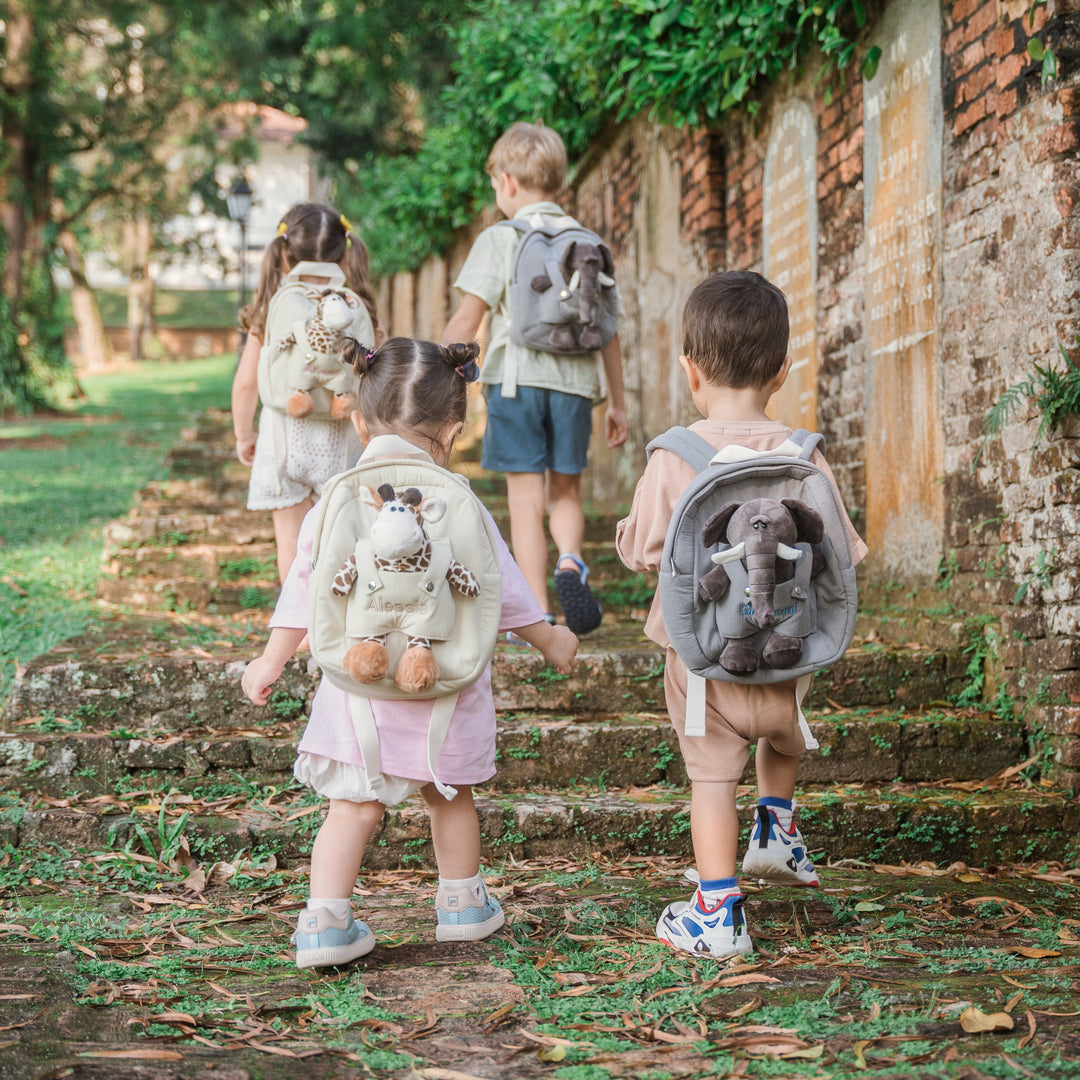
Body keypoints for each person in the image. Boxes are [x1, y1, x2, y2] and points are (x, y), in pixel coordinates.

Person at [241, 336, 579, 969]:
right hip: (444, 685)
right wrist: (551, 639)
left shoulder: (337, 498)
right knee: (449, 795)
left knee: (351, 807)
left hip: (357, 690)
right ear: (455, 426)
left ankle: (324, 923)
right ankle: (461, 907)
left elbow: (306, 586)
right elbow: (499, 586)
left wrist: (272, 657)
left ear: (358, 416)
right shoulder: (461, 499)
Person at [615, 272, 868, 958]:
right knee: (781, 732)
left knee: (712, 776)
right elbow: (844, 554)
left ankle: (718, 910)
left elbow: (643, 549)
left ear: (689, 370)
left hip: (703, 663)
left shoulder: (674, 455)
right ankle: (777, 831)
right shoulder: (806, 454)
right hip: (787, 651)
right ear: (783, 372)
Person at [441, 121, 628, 637]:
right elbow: (609, 331)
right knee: (565, 491)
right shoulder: (586, 241)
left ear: (505, 181)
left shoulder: (500, 239)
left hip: (515, 385)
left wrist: (436, 367)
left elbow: (468, 319)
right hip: (574, 389)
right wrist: (618, 402)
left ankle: (540, 612)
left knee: (525, 502)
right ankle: (571, 560)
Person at [231, 202, 381, 582]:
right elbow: (377, 376)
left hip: (285, 433)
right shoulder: (355, 305)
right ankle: (337, 627)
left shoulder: (272, 307)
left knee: (291, 541)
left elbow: (247, 381)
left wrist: (244, 434)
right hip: (343, 435)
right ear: (346, 252)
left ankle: (298, 632)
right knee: (341, 540)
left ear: (283, 252)